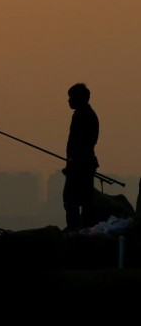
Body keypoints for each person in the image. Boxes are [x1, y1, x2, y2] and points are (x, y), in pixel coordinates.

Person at [62, 82, 99, 233]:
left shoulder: (83, 116)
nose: (69, 101)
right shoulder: (87, 114)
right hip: (84, 164)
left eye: (71, 97)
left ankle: (76, 229)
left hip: (80, 165)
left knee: (72, 199)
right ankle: (81, 227)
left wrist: (72, 164)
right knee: (84, 199)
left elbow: (80, 144)